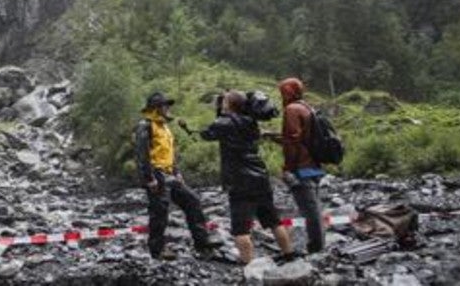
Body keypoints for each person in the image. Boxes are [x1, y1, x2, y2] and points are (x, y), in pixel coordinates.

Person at [199, 90, 295, 265]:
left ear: (228, 104)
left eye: (225, 102)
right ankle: (289, 255)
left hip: (240, 181)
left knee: (240, 230)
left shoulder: (224, 122)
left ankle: (248, 265)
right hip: (260, 176)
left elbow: (206, 133)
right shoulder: (251, 122)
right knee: (274, 221)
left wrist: (219, 111)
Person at [134, 91, 215, 260]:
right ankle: (157, 250)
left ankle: (202, 242)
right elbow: (142, 154)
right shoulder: (145, 125)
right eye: (165, 105)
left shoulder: (164, 127)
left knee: (192, 201)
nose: (168, 108)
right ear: (156, 108)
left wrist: (177, 172)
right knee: (160, 212)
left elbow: (170, 153)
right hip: (156, 174)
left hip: (170, 173)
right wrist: (149, 178)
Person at [273, 76, 326, 254]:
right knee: (314, 209)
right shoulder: (306, 107)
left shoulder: (291, 109)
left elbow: (293, 141)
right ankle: (318, 246)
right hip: (314, 165)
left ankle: (316, 249)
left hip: (301, 168)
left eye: (283, 91)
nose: (281, 95)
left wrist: (289, 168)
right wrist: (275, 136)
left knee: (310, 213)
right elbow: (302, 137)